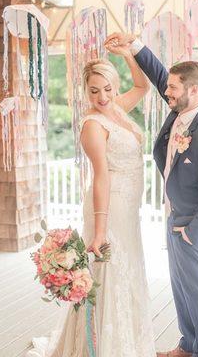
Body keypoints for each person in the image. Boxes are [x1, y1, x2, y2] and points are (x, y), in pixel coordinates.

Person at [27, 44, 157, 357]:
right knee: (108, 272)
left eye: (108, 89)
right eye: (94, 91)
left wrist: (128, 55)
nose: (102, 97)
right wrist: (99, 230)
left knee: (127, 271)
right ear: (86, 91)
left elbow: (143, 85)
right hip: (107, 208)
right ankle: (102, 347)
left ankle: (128, 342)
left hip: (128, 209)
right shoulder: (93, 125)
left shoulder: (117, 109)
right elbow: (100, 177)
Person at [104, 33, 198, 357]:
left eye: (173, 88)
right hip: (175, 217)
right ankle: (188, 345)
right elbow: (161, 76)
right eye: (169, 87)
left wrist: (193, 233)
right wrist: (134, 47)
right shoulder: (183, 107)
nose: (167, 92)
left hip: (192, 225)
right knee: (181, 287)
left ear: (194, 91)